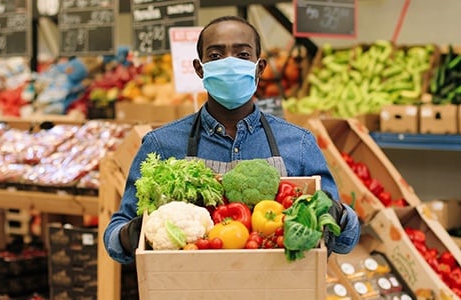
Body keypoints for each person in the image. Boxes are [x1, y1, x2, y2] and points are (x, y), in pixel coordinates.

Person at [103, 15, 361, 264]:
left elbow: (345, 241)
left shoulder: (299, 143)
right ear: (199, 68)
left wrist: (337, 215)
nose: (229, 63)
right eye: (215, 55)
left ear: (260, 67)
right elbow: (114, 239)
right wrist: (134, 233)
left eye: (242, 55)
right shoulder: (161, 144)